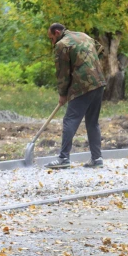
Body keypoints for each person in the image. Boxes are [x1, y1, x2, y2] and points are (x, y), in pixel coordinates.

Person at [45, 23, 107, 169]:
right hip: (99, 82)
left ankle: (63, 158)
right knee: (92, 122)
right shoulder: (83, 35)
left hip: (82, 85)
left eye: (51, 38)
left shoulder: (62, 45)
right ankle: (97, 159)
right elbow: (100, 50)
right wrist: (86, 64)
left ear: (58, 32)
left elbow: (62, 73)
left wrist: (62, 94)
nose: (52, 42)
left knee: (70, 120)